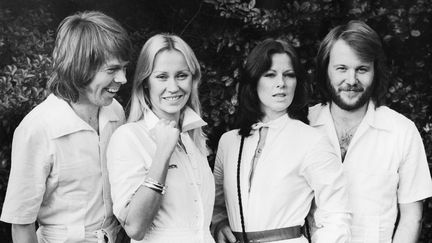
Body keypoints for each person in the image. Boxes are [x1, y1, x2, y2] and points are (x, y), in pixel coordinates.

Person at [0, 11, 131, 243]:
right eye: (111, 70)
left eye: (123, 68)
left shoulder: (116, 111)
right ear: (80, 67)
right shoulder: (37, 128)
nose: (122, 79)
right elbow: (21, 224)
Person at [212, 39, 351, 243]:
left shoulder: (312, 141)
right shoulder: (229, 142)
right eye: (270, 75)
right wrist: (219, 223)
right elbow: (216, 201)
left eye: (289, 75)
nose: (281, 83)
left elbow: (336, 212)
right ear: (254, 81)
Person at [309, 20, 432, 243]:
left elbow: (411, 217)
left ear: (376, 71)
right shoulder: (303, 125)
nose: (351, 80)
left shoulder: (401, 131)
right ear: (325, 69)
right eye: (342, 68)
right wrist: (221, 219)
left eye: (362, 69)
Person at [106, 33, 215, 243]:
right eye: (162, 77)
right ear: (145, 81)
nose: (173, 87)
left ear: (193, 79)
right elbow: (135, 228)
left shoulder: (194, 139)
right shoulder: (129, 137)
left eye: (181, 75)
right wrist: (163, 152)